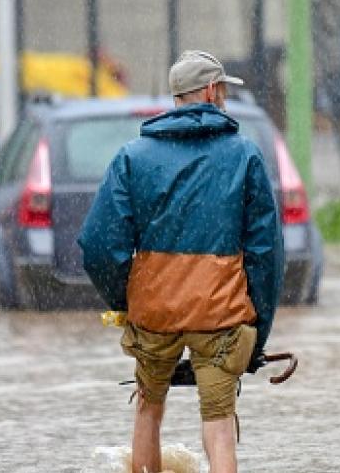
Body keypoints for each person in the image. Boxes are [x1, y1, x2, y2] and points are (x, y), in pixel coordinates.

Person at [78, 50, 283, 473]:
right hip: (221, 315)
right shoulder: (244, 155)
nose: (224, 96)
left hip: (154, 313)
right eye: (223, 89)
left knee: (149, 409)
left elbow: (98, 245)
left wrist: (125, 300)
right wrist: (258, 335)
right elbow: (266, 255)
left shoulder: (132, 157)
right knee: (220, 423)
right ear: (211, 91)